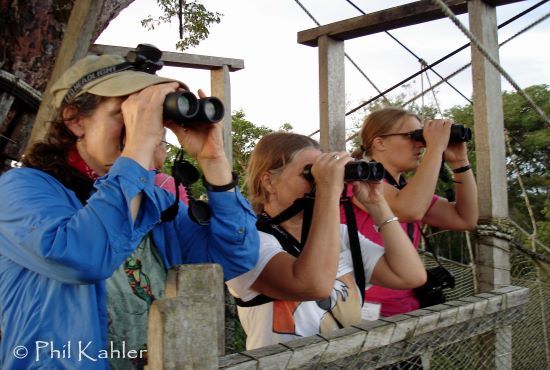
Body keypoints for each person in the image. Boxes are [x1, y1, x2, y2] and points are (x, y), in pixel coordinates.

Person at [0, 49, 259, 370]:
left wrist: (214, 161)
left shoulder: (155, 201)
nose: (144, 128)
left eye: (151, 117)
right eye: (128, 114)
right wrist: (137, 148)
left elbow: (234, 259)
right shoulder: (20, 190)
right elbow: (83, 258)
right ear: (75, 120)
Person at [226, 132, 426, 350]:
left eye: (324, 174)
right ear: (269, 182)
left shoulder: (340, 235)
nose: (321, 181)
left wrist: (377, 203)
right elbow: (313, 285)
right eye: (310, 174)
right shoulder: (246, 243)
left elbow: (410, 275)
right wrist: (328, 190)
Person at [342, 106, 478, 319]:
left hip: (405, 310)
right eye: (412, 136)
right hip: (360, 314)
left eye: (421, 136)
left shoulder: (405, 191)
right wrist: (435, 149)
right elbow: (409, 210)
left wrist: (460, 162)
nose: (420, 144)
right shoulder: (357, 182)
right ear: (379, 142)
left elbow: (465, 218)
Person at [153, 129, 189, 205]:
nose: (166, 150)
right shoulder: (171, 184)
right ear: (157, 144)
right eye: (166, 145)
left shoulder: (123, 176)